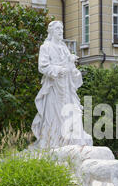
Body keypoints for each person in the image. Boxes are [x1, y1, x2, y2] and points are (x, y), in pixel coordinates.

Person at [30, 21, 92, 149]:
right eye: (58, 29)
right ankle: (54, 142)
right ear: (51, 31)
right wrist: (58, 70)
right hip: (54, 88)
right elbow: (42, 66)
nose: (60, 31)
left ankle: (71, 141)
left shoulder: (64, 48)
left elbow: (72, 68)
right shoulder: (46, 47)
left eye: (62, 29)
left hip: (67, 88)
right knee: (54, 115)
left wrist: (74, 71)